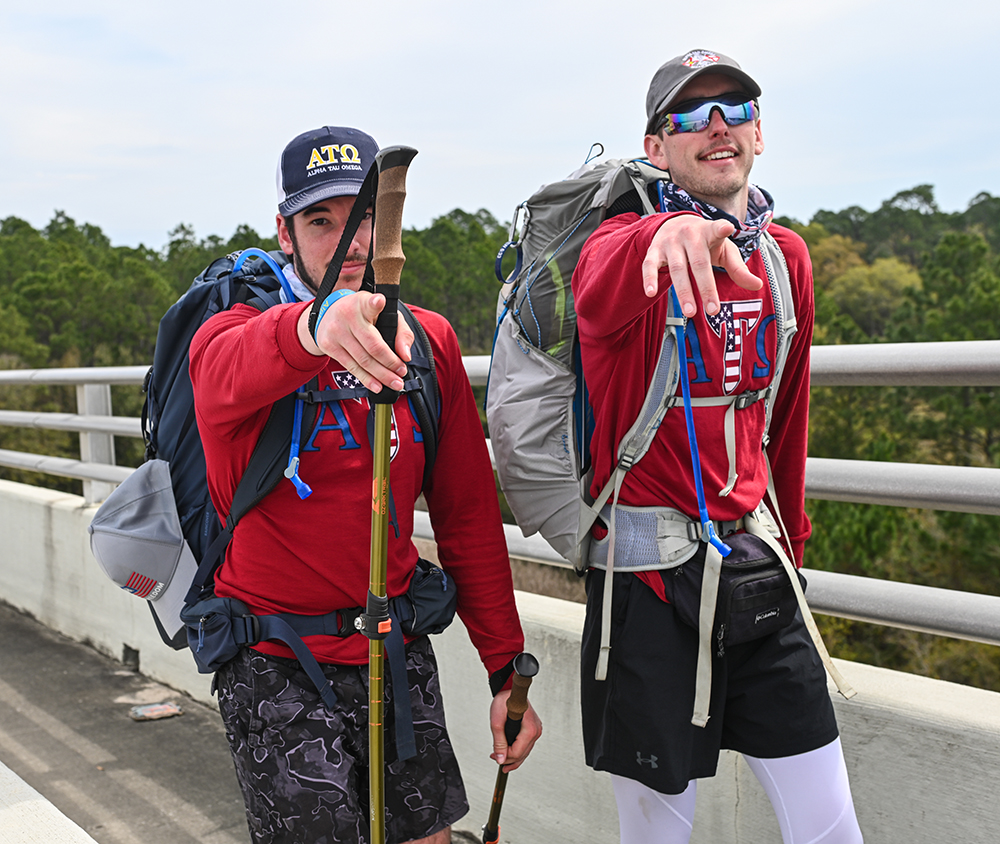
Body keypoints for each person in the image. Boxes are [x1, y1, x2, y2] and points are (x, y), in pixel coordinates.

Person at [189, 125, 541, 844]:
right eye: (323, 219)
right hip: (275, 663)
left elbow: (467, 517)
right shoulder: (232, 331)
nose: (350, 239)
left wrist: (505, 667)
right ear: (283, 231)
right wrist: (318, 325)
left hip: (395, 649)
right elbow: (227, 370)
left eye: (366, 216)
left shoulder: (427, 341)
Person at [571, 51, 864, 843]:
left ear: (758, 134)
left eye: (734, 107)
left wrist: (793, 550)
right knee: (659, 835)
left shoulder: (784, 259)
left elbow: (788, 423)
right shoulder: (623, 249)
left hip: (759, 573)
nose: (716, 126)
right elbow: (597, 288)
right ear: (657, 147)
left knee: (830, 827)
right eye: (690, 116)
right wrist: (665, 233)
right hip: (647, 590)